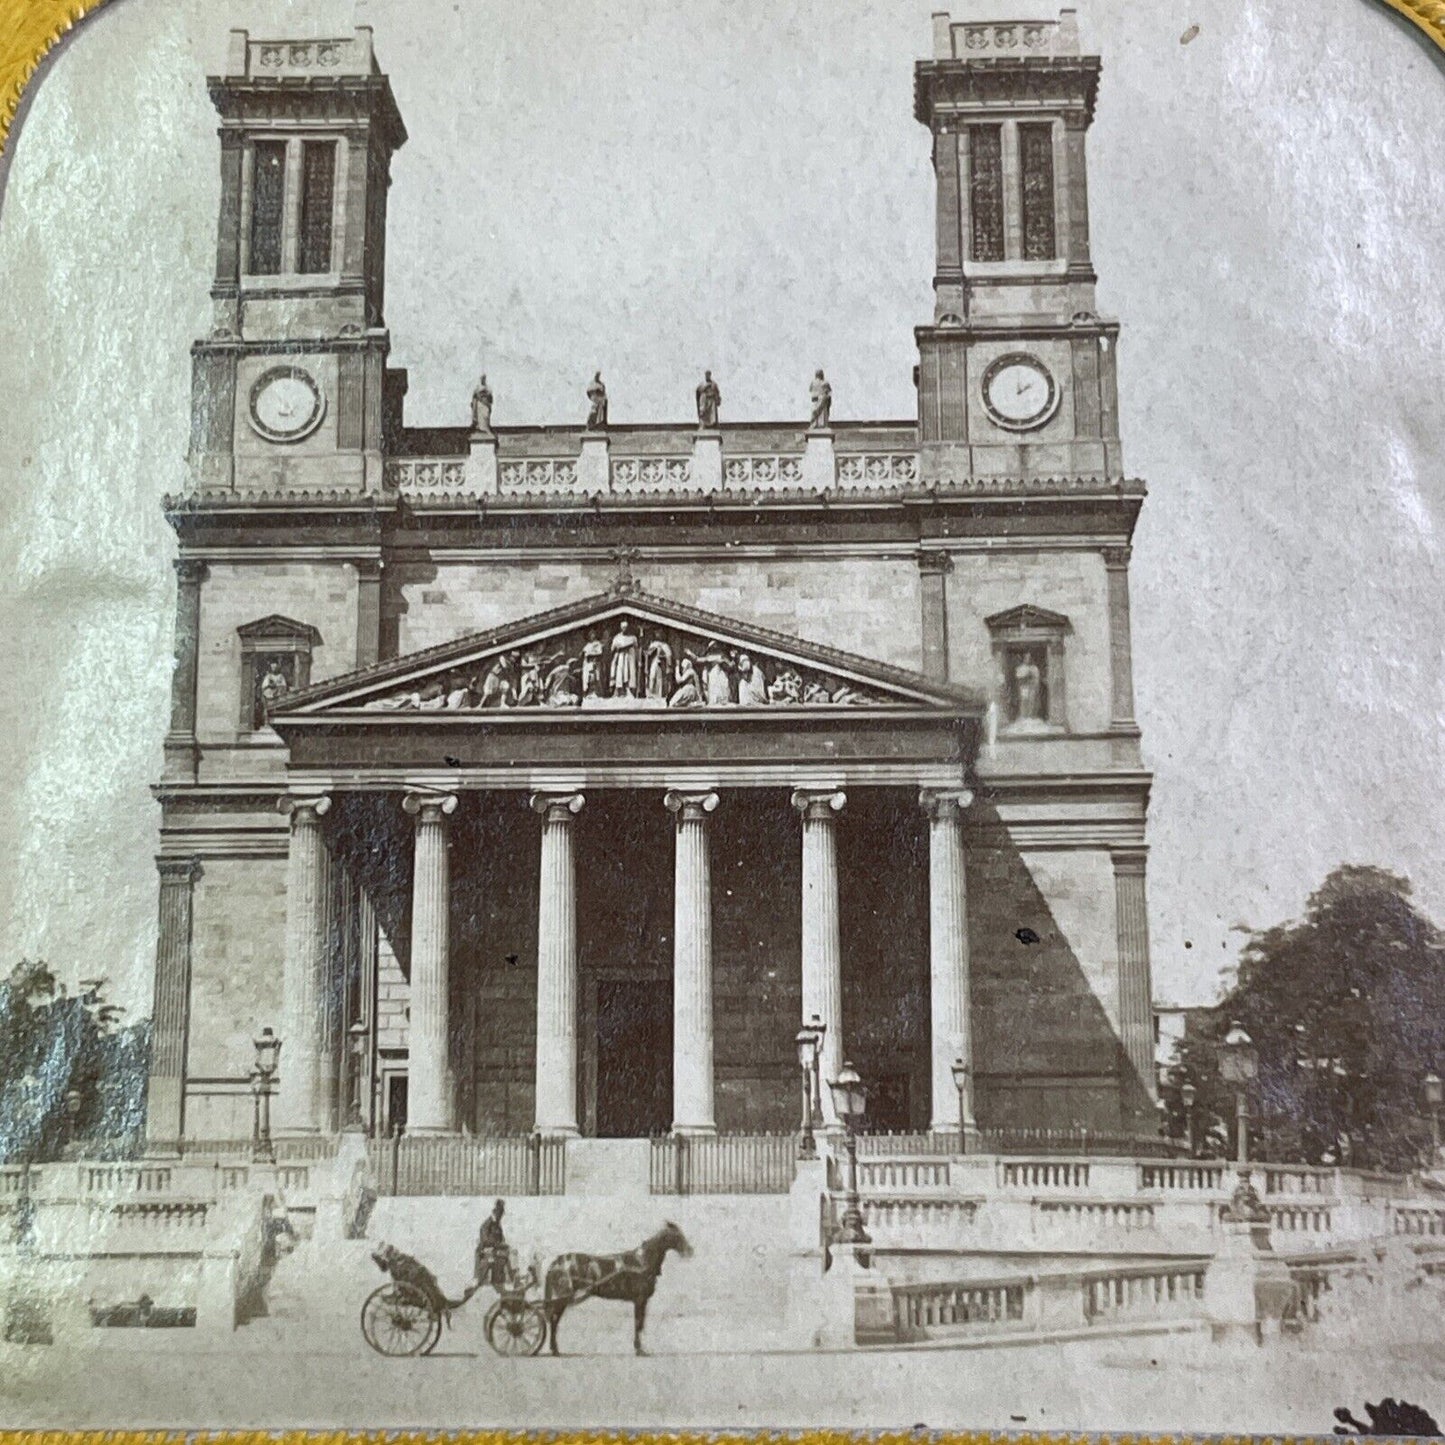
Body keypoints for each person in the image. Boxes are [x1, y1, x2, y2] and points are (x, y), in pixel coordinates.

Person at [475, 1199, 509, 1291]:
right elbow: (485, 1240)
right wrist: (498, 1245)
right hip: (486, 1254)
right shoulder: (487, 1224)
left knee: (501, 1262)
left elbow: (501, 1239)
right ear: (496, 1211)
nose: (501, 1216)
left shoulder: (497, 1225)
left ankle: (499, 1286)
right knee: (485, 1279)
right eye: (500, 1213)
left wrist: (502, 1245)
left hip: (495, 1254)